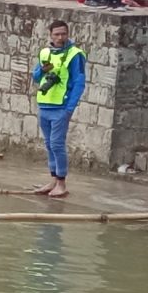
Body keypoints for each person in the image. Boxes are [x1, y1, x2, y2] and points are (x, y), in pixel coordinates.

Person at [31, 19, 85, 197]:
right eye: (57, 34)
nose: (61, 37)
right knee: (49, 144)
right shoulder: (45, 52)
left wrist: (70, 108)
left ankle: (61, 183)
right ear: (50, 35)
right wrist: (43, 70)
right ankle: (53, 179)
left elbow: (79, 82)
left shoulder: (75, 54)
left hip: (61, 106)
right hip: (45, 104)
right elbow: (37, 77)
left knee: (57, 144)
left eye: (64, 33)